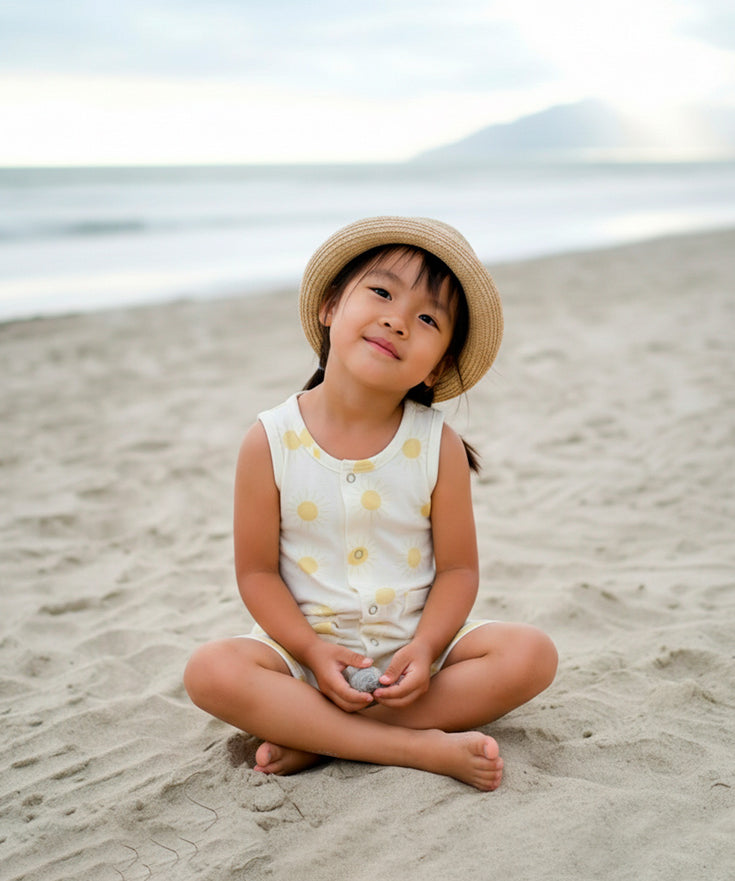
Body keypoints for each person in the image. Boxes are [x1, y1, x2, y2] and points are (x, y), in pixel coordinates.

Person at [184, 217, 557, 791]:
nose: (397, 320)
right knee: (210, 670)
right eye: (381, 292)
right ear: (331, 306)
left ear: (435, 366)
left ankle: (317, 733)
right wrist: (309, 648)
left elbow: (458, 569)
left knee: (531, 654)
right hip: (306, 659)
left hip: (416, 656)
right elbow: (256, 573)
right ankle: (407, 745)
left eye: (427, 319)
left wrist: (428, 645)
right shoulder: (270, 439)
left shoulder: (438, 445)